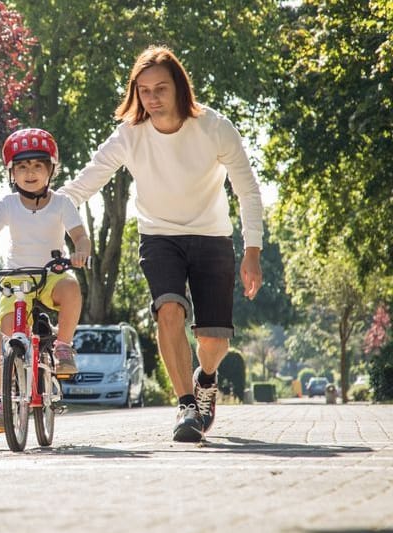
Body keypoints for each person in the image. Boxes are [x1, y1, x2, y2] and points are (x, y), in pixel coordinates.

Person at [58, 46, 263, 442]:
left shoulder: (214, 127)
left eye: (160, 89)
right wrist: (39, 209)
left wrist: (251, 250)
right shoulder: (129, 135)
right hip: (159, 236)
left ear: (179, 88)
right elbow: (83, 184)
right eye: (144, 90)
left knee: (213, 341)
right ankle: (186, 405)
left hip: (212, 236)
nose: (152, 98)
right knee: (168, 310)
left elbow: (248, 190)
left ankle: (205, 378)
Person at [0, 128, 91, 430]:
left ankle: (63, 347)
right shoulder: (7, 204)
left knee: (71, 288)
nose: (30, 173)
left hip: (51, 275)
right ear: (12, 173)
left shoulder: (61, 203)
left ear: (50, 171)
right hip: (16, 279)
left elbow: (80, 236)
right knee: (7, 335)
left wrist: (81, 252)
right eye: (22, 167)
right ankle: (3, 399)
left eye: (37, 166)